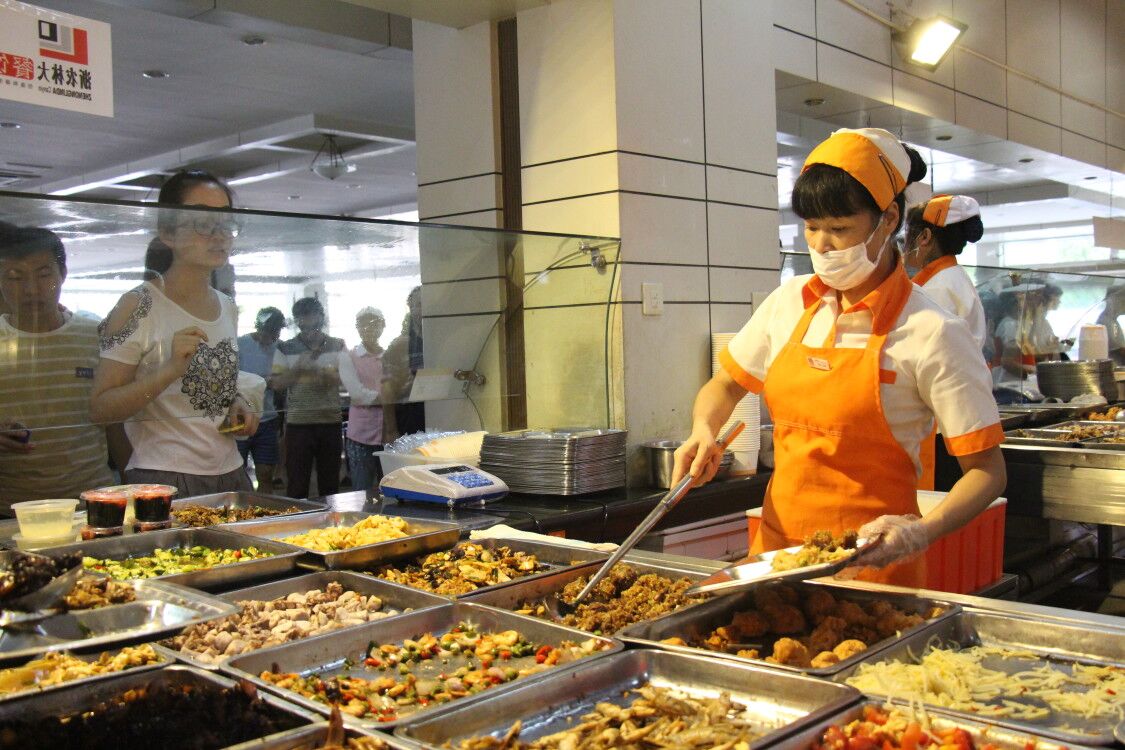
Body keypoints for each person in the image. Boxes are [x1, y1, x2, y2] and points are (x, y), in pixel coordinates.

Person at [672, 127, 1006, 587]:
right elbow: (725, 385)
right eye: (811, 228)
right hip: (776, 561)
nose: (821, 245)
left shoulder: (933, 330)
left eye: (839, 229)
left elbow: (987, 473)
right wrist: (703, 430)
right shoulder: (788, 303)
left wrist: (921, 533)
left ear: (888, 220)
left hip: (873, 569)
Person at [90, 170, 260, 497]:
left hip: (231, 470)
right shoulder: (139, 304)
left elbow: (210, 387)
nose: (218, 234)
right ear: (168, 232)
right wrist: (169, 369)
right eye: (202, 222)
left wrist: (236, 401)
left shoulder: (227, 306)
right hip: (166, 475)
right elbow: (100, 409)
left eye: (226, 222)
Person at [0, 226, 129, 507]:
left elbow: (114, 424)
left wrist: (131, 486)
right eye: (15, 277)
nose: (31, 289)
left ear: (63, 274)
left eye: (44, 274)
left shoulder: (96, 335)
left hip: (93, 503)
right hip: (12, 509)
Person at [903, 194, 988, 489]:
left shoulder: (936, 289)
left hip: (940, 420)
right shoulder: (952, 279)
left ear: (925, 237)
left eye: (907, 235)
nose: (903, 244)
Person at [273, 297, 345, 499]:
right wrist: (298, 368)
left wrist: (325, 375)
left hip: (330, 421)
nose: (308, 320)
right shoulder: (285, 347)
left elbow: (347, 380)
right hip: (299, 423)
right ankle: (298, 518)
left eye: (312, 315)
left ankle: (332, 517)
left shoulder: (337, 344)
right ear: (297, 320)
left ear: (321, 317)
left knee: (330, 485)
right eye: (302, 316)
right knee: (297, 485)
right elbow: (277, 383)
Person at [338, 307, 386, 495]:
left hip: (388, 432)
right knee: (361, 491)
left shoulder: (389, 355)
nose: (369, 328)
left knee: (390, 488)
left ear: (383, 326)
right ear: (357, 328)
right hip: (361, 435)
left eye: (374, 324)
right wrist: (388, 398)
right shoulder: (348, 357)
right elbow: (357, 394)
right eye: (363, 324)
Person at [237, 307, 285, 490]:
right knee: (238, 473)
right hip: (241, 417)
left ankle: (264, 504)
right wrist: (262, 382)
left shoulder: (279, 347)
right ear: (259, 327)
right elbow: (231, 378)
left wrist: (278, 382)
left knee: (265, 473)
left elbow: (283, 380)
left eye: (276, 332)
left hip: (268, 419)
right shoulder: (241, 344)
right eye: (269, 332)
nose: (272, 337)